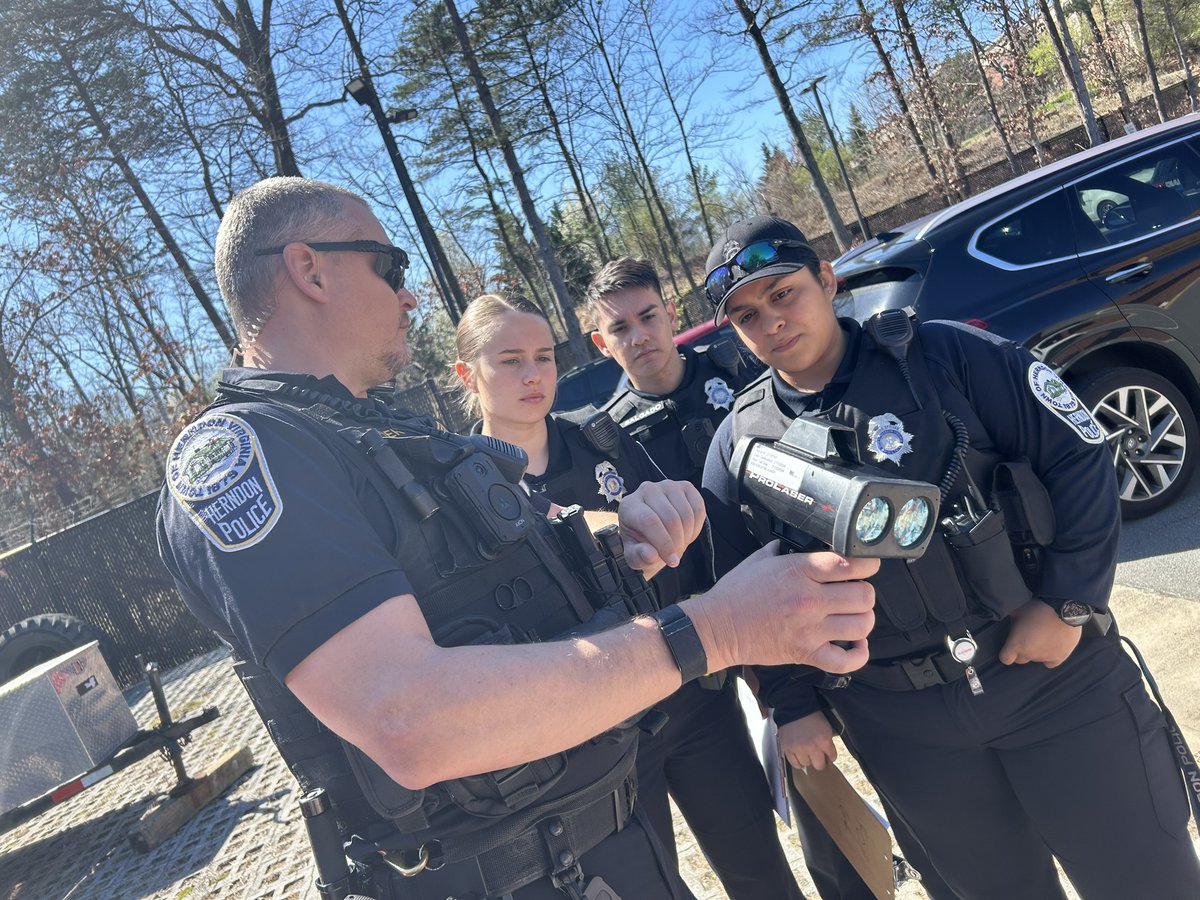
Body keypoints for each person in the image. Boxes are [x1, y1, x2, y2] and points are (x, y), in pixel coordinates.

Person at [154, 178, 878, 900]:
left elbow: (497, 603)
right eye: (390, 267)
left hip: (599, 847)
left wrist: (614, 543)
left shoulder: (373, 433)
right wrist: (715, 631)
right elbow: (411, 719)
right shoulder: (248, 454)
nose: (410, 297)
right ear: (310, 269)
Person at [701, 214, 1200, 900]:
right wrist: (792, 706)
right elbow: (744, 593)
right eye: (747, 315)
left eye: (783, 292)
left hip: (1054, 684)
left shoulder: (945, 358)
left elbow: (1080, 456)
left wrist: (1069, 601)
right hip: (904, 729)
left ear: (826, 278)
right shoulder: (741, 450)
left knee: (1148, 882)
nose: (770, 321)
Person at [453, 293, 804, 900]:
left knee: (759, 870)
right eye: (509, 360)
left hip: (689, 694)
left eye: (542, 356)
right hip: (591, 738)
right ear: (467, 374)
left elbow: (693, 560)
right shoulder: (457, 489)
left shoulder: (602, 442)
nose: (534, 374)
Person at [586, 257, 760, 484]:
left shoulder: (739, 369)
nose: (639, 338)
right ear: (602, 344)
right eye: (620, 329)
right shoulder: (614, 436)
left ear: (670, 315)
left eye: (648, 317)